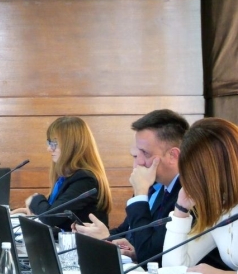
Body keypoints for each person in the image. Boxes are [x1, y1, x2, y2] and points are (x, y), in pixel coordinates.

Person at [75, 109, 187, 263]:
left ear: (173, 156)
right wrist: (104, 236)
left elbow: (150, 254)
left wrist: (140, 193)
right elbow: (129, 231)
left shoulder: (186, 195)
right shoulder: (157, 186)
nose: (137, 163)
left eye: (145, 154)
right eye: (135, 155)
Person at [163, 118, 238, 274]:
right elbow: (173, 270)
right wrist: (181, 210)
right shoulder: (221, 207)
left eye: (196, 174)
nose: (193, 182)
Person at [11, 116, 112, 231]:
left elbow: (51, 217)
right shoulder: (66, 177)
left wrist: (35, 199)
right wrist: (35, 213)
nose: (49, 149)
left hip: (82, 242)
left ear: (72, 146)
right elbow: (54, 213)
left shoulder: (85, 180)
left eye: (54, 143)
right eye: (49, 143)